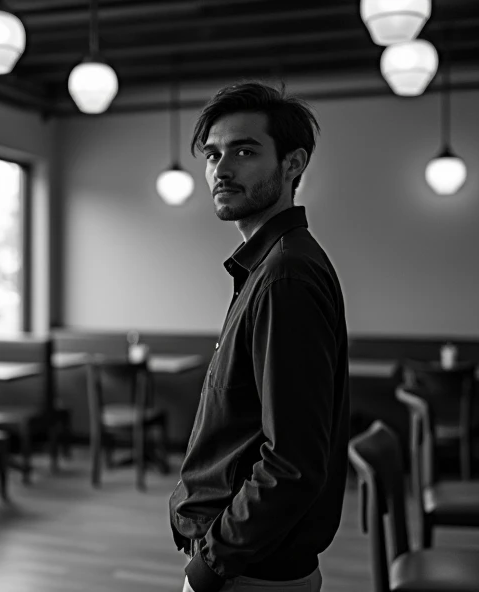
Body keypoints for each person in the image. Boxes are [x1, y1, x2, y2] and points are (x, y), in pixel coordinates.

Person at [168, 81, 349, 592]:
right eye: (212, 154)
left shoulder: (285, 274)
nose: (222, 170)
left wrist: (210, 565)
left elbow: (292, 461)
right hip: (244, 561)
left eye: (244, 152)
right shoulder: (271, 264)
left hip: (249, 572)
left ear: (293, 165)